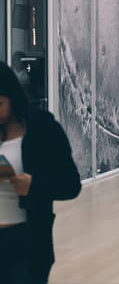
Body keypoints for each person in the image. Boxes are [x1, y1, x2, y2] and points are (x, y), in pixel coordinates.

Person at [0, 61, 81, 284]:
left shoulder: (42, 127)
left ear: (12, 96)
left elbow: (71, 184)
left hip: (26, 245)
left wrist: (33, 186)